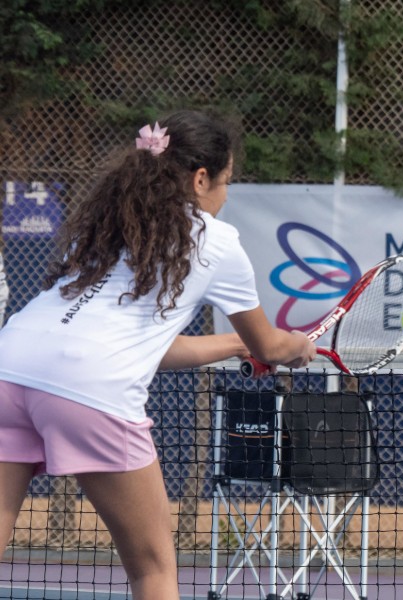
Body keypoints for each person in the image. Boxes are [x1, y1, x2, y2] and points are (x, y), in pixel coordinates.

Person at [0, 111, 317, 600]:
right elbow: (272, 346)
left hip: (9, 368)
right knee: (153, 568)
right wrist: (297, 346)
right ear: (200, 177)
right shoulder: (218, 240)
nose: (226, 196)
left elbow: (150, 347)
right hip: (92, 392)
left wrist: (237, 345)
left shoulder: (108, 224)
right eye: (226, 182)